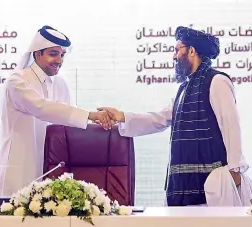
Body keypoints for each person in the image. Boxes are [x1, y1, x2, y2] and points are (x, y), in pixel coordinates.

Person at [98, 26, 248, 206]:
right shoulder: (185, 88)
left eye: (177, 50)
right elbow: (159, 118)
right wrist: (121, 116)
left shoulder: (217, 81)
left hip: (215, 188)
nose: (174, 56)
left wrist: (235, 171)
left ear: (191, 51)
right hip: (183, 186)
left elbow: (231, 125)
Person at [0, 25, 112, 197]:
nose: (59, 60)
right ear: (37, 53)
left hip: (54, 167)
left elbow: (69, 121)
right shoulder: (18, 81)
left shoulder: (61, 83)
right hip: (20, 167)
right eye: (53, 54)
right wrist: (89, 115)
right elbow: (41, 107)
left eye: (62, 55)